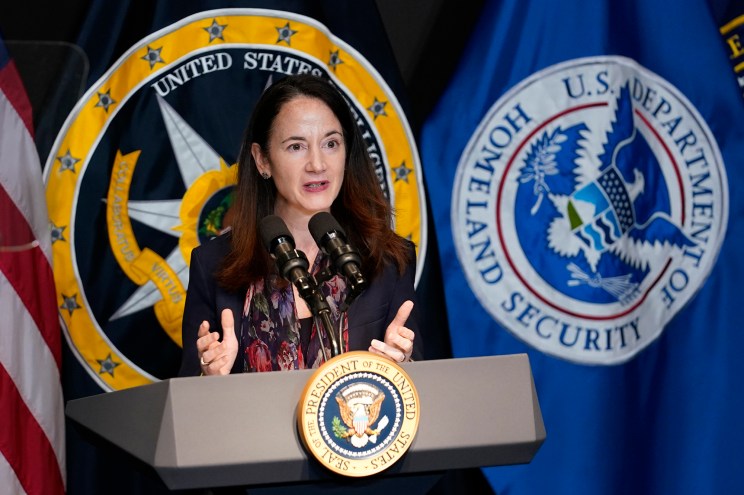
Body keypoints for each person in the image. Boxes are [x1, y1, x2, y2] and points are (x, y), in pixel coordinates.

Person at [179, 74, 421, 377]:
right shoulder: (213, 264)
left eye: (331, 143)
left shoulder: (389, 259)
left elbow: (416, 396)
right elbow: (186, 401)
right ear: (262, 160)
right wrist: (211, 379)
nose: (317, 164)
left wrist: (404, 369)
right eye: (296, 147)